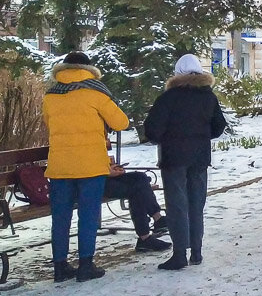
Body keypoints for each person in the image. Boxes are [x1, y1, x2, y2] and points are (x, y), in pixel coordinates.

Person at [42, 51, 130, 282]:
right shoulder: (95, 92)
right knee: (88, 215)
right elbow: (121, 122)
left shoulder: (51, 94)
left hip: (60, 166)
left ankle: (60, 267)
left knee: (60, 217)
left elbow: (48, 123)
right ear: (89, 69)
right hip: (90, 165)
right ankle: (85, 266)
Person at [144, 54, 228, 270]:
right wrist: (200, 136)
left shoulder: (169, 98)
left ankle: (179, 253)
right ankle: (197, 251)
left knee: (177, 205)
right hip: (199, 157)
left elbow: (152, 129)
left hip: (173, 158)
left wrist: (166, 137)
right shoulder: (208, 97)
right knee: (196, 203)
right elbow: (219, 126)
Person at [103, 167, 171, 252]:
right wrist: (106, 171)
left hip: (105, 175)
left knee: (140, 177)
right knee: (137, 188)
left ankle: (158, 218)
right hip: (94, 180)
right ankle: (145, 236)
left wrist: (113, 168)